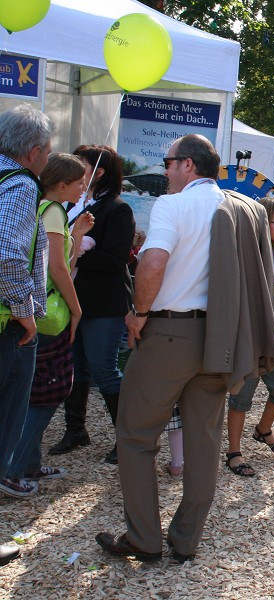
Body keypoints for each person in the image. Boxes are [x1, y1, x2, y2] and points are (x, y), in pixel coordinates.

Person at [96, 134, 274, 563]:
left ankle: (143, 537)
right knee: (204, 441)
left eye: (168, 162)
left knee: (136, 435)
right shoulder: (243, 208)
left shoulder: (172, 206)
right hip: (221, 336)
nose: (164, 170)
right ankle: (185, 539)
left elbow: (153, 263)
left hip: (168, 333)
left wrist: (139, 311)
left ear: (188, 166)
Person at [2, 154, 93, 498]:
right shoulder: (53, 212)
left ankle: (27, 461)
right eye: (80, 181)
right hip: (49, 315)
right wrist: (77, 308)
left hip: (37, 310)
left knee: (37, 389)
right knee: (49, 391)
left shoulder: (45, 209)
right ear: (62, 184)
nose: (84, 187)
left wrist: (77, 233)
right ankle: (14, 466)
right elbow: (57, 270)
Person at [49, 144, 135, 465]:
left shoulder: (117, 209)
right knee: (75, 367)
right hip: (73, 300)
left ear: (98, 172)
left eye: (81, 163)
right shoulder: (69, 205)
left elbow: (116, 259)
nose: (73, 167)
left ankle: (128, 439)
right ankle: (75, 430)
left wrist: (78, 247)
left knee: (104, 369)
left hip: (103, 303)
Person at [0, 106, 52, 558]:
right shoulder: (19, 185)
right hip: (6, 330)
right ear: (33, 152)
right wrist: (25, 312)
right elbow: (7, 255)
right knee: (4, 422)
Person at [224, 197, 274, 477]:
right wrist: (270, 289)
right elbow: (238, 294)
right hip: (249, 335)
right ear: (262, 223)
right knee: (241, 397)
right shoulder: (247, 252)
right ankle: (234, 451)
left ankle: (263, 430)